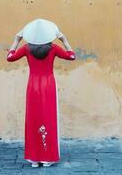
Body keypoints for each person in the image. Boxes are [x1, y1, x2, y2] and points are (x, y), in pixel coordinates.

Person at [7, 19, 75, 167]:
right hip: (49, 86)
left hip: (32, 87)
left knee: (33, 119)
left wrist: (16, 39)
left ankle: (34, 159)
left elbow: (10, 58)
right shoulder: (53, 49)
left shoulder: (26, 49)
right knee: (49, 119)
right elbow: (72, 56)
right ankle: (47, 158)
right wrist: (63, 39)